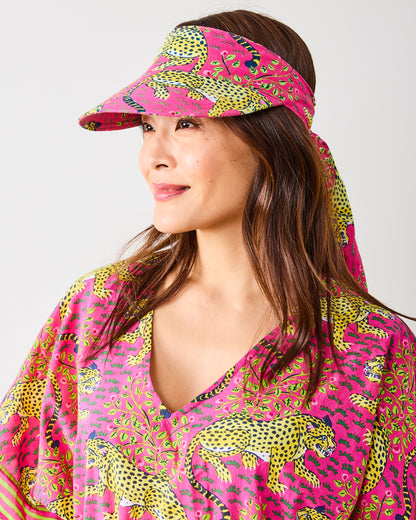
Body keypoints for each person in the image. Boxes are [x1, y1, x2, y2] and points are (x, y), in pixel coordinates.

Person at [0, 8, 414, 520]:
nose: (153, 156)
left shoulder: (368, 350)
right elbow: (21, 493)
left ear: (271, 142)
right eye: (147, 127)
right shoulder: (99, 309)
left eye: (186, 123)